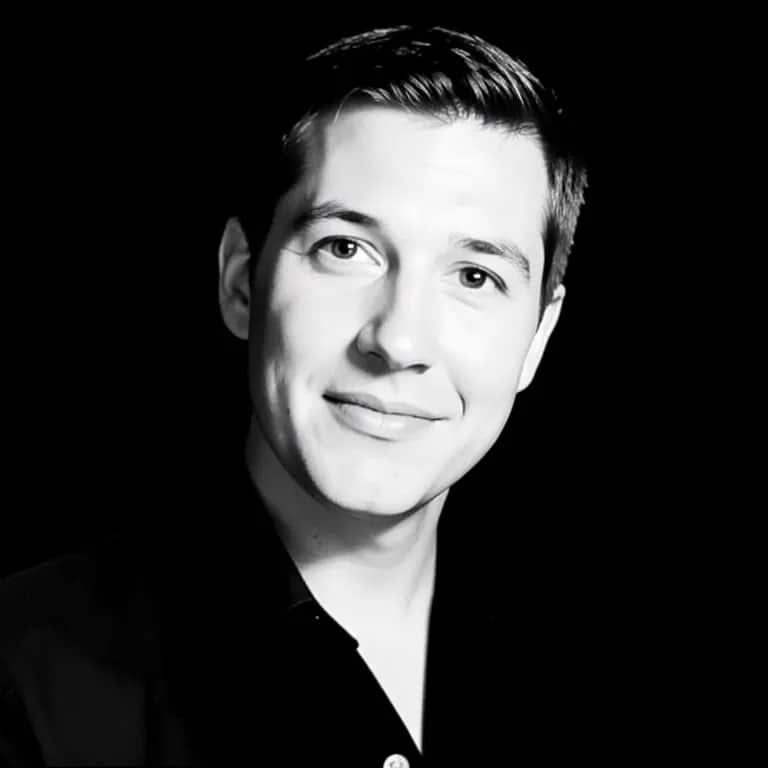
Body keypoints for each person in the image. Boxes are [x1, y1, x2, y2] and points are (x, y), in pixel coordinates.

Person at [1, 25, 587, 766]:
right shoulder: (23, 681)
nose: (399, 341)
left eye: (476, 276)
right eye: (346, 249)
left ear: (537, 336)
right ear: (241, 282)